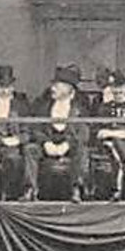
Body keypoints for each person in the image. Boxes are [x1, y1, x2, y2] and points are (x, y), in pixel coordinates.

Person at [32, 68, 89, 201]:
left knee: (82, 151)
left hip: (69, 147)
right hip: (48, 145)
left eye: (57, 86)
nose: (53, 88)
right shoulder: (44, 107)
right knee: (30, 149)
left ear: (69, 89)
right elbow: (36, 129)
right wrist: (45, 142)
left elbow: (83, 133)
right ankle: (31, 189)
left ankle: (76, 189)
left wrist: (68, 144)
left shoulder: (80, 110)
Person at [0, 64, 36, 200]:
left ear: (13, 86)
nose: (5, 91)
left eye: (8, 87)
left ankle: (6, 193)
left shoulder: (21, 105)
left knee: (13, 159)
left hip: (9, 144)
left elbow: (28, 130)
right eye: (1, 87)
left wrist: (17, 139)